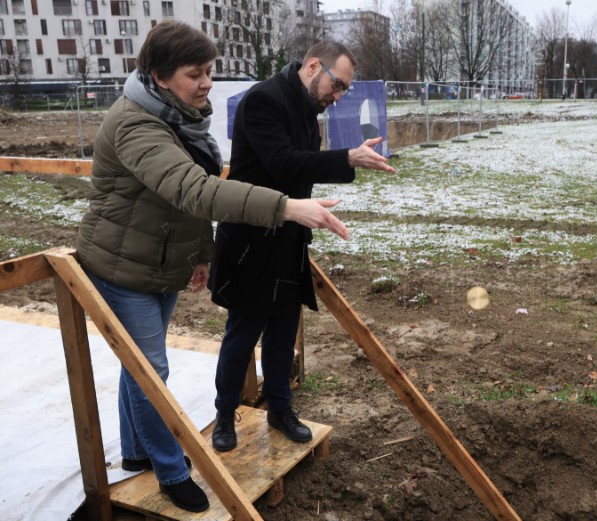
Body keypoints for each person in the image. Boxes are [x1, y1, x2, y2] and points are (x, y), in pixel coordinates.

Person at [76, 21, 348, 513]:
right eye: (195, 73)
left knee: (138, 366)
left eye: (209, 71)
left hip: (158, 260)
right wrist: (286, 207)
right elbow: (196, 189)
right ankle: (172, 471)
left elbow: (185, 199)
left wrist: (200, 252)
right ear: (160, 76)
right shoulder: (136, 124)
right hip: (121, 264)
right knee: (150, 370)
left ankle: (136, 451)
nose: (206, 83)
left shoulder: (181, 118)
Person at [208, 42, 395, 452]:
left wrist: (343, 163)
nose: (339, 95)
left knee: (282, 334)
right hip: (251, 242)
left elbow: (301, 170)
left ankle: (280, 408)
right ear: (314, 66)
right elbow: (283, 163)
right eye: (337, 84)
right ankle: (224, 414)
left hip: (288, 242)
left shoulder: (309, 110)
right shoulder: (264, 101)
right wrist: (345, 159)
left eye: (344, 89)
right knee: (242, 337)